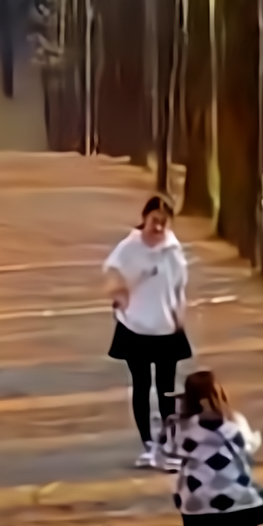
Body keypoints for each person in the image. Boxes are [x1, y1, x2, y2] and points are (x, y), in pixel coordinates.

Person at [103, 193, 191, 468]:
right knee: (142, 386)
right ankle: (148, 444)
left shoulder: (173, 251)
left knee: (166, 389)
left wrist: (180, 315)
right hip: (135, 326)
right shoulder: (129, 248)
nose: (159, 228)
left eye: (164, 223)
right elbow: (111, 275)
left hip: (166, 327)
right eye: (155, 221)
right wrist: (119, 292)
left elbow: (179, 288)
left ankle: (168, 444)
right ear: (145, 218)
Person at [163, 369, 263, 526]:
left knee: (186, 489)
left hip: (198, 495)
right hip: (235, 492)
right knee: (250, 488)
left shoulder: (180, 425)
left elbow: (170, 451)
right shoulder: (234, 421)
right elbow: (247, 447)